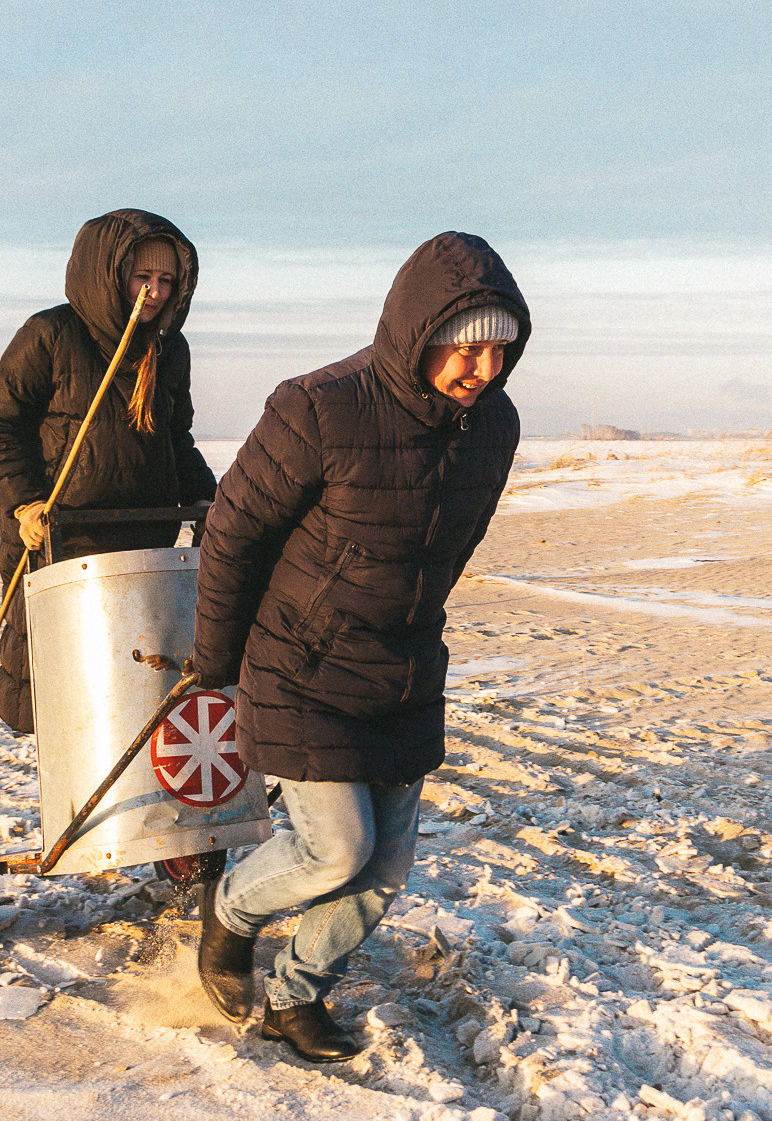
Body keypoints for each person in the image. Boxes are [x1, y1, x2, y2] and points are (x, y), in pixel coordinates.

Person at [189, 233, 528, 1062]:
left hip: (404, 666)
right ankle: (231, 912)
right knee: (336, 847)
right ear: (419, 331)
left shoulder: (495, 426)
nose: (483, 368)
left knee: (383, 871)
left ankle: (296, 996)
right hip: (301, 661)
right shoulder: (319, 407)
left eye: (501, 349)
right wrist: (218, 658)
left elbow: (457, 545)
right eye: (467, 346)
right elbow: (232, 532)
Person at [0, 209, 219, 733]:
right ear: (108, 273)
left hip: (146, 542)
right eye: (142, 276)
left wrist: (207, 498)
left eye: (166, 280)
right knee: (67, 695)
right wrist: (23, 504)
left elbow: (175, 437)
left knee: (137, 690)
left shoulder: (169, 348)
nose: (154, 292)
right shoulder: (50, 333)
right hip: (59, 537)